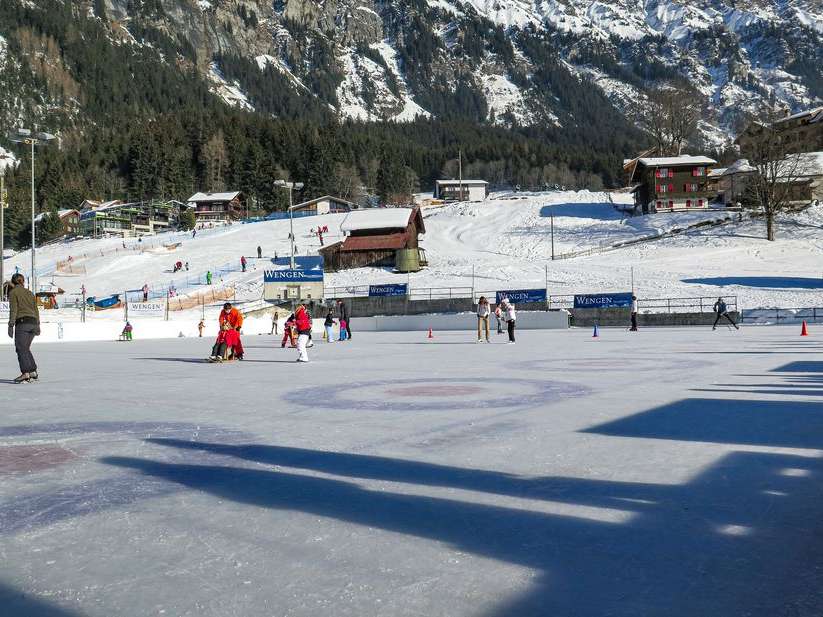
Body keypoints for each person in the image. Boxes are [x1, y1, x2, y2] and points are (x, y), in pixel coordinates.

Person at [7, 273, 40, 383]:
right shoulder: (30, 293)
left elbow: (14, 310)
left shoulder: (13, 292)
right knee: (25, 348)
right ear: (23, 281)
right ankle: (32, 371)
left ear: (13, 281)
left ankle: (25, 373)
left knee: (20, 348)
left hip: (23, 323)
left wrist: (11, 325)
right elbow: (36, 309)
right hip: (33, 322)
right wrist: (38, 325)